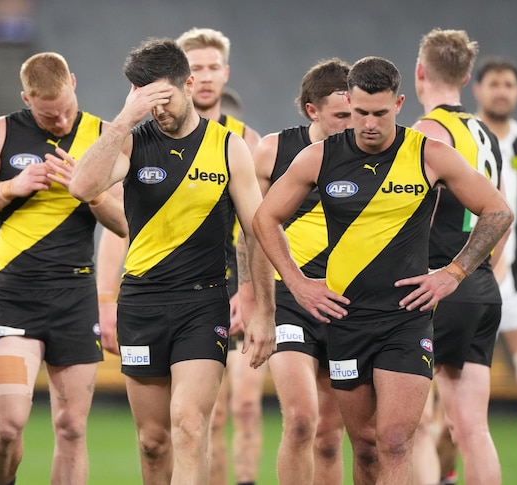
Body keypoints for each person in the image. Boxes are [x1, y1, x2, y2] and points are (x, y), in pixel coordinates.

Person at [252, 56, 512, 484]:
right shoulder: (320, 158)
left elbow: (497, 211)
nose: (369, 123)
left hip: (405, 319)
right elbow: (265, 218)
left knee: (394, 441)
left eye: (380, 113)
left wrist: (454, 272)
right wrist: (297, 284)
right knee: (367, 448)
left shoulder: (429, 154)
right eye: (359, 112)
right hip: (347, 320)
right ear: (349, 103)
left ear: (400, 103)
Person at [69, 38, 276, 485]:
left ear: (188, 83)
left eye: (164, 98)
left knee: (188, 424)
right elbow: (82, 187)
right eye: (148, 100)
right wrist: (126, 118)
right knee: (153, 441)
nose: (159, 111)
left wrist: (264, 309)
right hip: (141, 303)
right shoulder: (132, 142)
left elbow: (259, 232)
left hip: (203, 305)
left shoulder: (228, 147)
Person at [0, 51, 127, 485]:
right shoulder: (2, 132)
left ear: (74, 82)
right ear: (26, 98)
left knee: (72, 427)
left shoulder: (103, 136)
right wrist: (12, 186)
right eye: (48, 117)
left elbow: (126, 224)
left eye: (65, 110)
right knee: (8, 425)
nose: (61, 123)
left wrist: (89, 192)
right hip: (17, 296)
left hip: (75, 299)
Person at [410, 29, 504, 485]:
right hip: (481, 284)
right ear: (468, 78)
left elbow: (413, 219)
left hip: (438, 281)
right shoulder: (485, 130)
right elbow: (499, 211)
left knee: (411, 425)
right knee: (472, 429)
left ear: (419, 72)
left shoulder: (427, 132)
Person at [253, 58, 352, 485]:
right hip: (290, 300)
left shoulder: (372, 155)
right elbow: (252, 232)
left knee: (331, 437)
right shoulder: (274, 150)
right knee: (300, 420)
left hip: (349, 304)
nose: (354, 124)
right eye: (342, 116)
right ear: (313, 110)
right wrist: (260, 306)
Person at [174, 26, 265, 485]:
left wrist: (250, 292)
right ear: (181, 76)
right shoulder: (159, 137)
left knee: (246, 405)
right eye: (195, 68)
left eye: (213, 68)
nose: (205, 78)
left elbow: (262, 226)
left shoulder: (248, 141)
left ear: (225, 73)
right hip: (185, 288)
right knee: (201, 414)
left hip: (238, 284)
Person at [473, 56, 517, 449]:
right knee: (456, 391)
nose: (502, 91)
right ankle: (445, 472)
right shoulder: (463, 138)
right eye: (494, 84)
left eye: (509, 84)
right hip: (467, 275)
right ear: (478, 89)